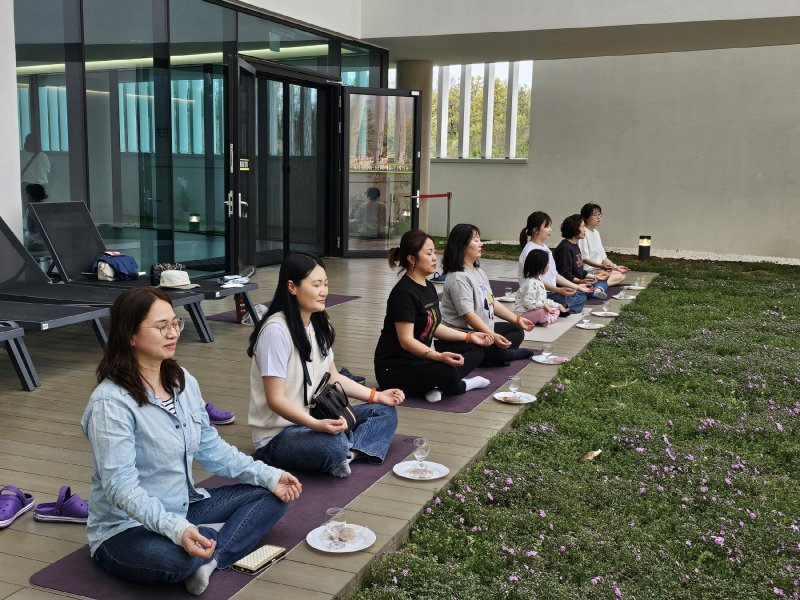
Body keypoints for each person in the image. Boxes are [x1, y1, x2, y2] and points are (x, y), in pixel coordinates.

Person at [82, 288, 301, 596]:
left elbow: (211, 449)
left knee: (276, 493)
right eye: (161, 326)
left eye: (176, 323)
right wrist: (178, 530)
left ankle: (211, 557)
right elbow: (121, 488)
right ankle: (209, 544)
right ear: (130, 335)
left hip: (184, 508)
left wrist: (269, 475)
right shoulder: (110, 403)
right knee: (176, 560)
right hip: (125, 528)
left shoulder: (181, 380)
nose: (173, 333)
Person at [248, 252, 403, 478]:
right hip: (278, 436)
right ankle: (346, 449)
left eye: (326, 284)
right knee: (332, 445)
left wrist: (377, 396)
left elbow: (332, 376)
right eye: (316, 285)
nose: (324, 291)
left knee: (385, 411)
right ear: (292, 287)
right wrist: (315, 425)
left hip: (316, 416)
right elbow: (275, 400)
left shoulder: (319, 322)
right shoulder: (276, 331)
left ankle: (348, 455)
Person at [375, 229, 494, 404]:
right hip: (394, 368)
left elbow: (434, 326)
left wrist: (471, 336)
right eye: (429, 253)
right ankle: (459, 384)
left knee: (475, 350)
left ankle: (435, 385)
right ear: (412, 258)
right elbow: (406, 341)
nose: (434, 258)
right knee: (446, 371)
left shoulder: (428, 287)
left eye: (434, 252)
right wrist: (437, 356)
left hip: (420, 360)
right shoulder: (403, 293)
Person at [438, 223, 534, 367]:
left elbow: (491, 302)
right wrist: (494, 336)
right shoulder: (459, 278)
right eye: (476, 240)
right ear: (462, 245)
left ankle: (500, 353)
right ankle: (504, 355)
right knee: (481, 351)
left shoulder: (478, 271)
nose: (481, 244)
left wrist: (517, 319)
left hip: (482, 330)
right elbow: (468, 315)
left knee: (516, 330)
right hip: (461, 337)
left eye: (479, 239)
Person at [518, 211, 594, 315]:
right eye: (547, 226)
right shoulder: (531, 251)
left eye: (550, 226)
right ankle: (555, 309)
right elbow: (534, 281)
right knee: (578, 297)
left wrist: (576, 286)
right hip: (539, 296)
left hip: (549, 293)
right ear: (536, 230)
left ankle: (557, 309)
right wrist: (559, 290)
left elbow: (554, 274)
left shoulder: (544, 248)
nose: (550, 229)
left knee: (579, 293)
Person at [553, 214, 610, 300]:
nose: (585, 230)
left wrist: (595, 277)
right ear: (574, 228)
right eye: (582, 227)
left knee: (602, 281)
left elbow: (579, 270)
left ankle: (596, 290)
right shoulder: (565, 248)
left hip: (580, 282)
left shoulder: (575, 245)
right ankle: (591, 292)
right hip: (570, 284)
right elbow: (565, 274)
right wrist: (580, 282)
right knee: (580, 296)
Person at [513, 249, 569, 325]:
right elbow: (528, 303)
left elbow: (543, 300)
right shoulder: (531, 283)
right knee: (542, 312)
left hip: (534, 310)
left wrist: (558, 305)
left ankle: (543, 319)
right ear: (541, 265)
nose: (548, 266)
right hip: (523, 314)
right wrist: (543, 306)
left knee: (556, 309)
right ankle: (544, 320)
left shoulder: (539, 281)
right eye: (547, 264)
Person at [578, 203, 629, 286]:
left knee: (621, 275)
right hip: (589, 270)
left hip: (599, 268)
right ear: (586, 217)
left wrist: (615, 267)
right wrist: (602, 267)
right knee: (619, 276)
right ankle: (596, 285)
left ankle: (597, 284)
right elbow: (584, 258)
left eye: (599, 215)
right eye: (595, 215)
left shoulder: (596, 233)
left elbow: (603, 257)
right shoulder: (583, 233)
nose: (598, 217)